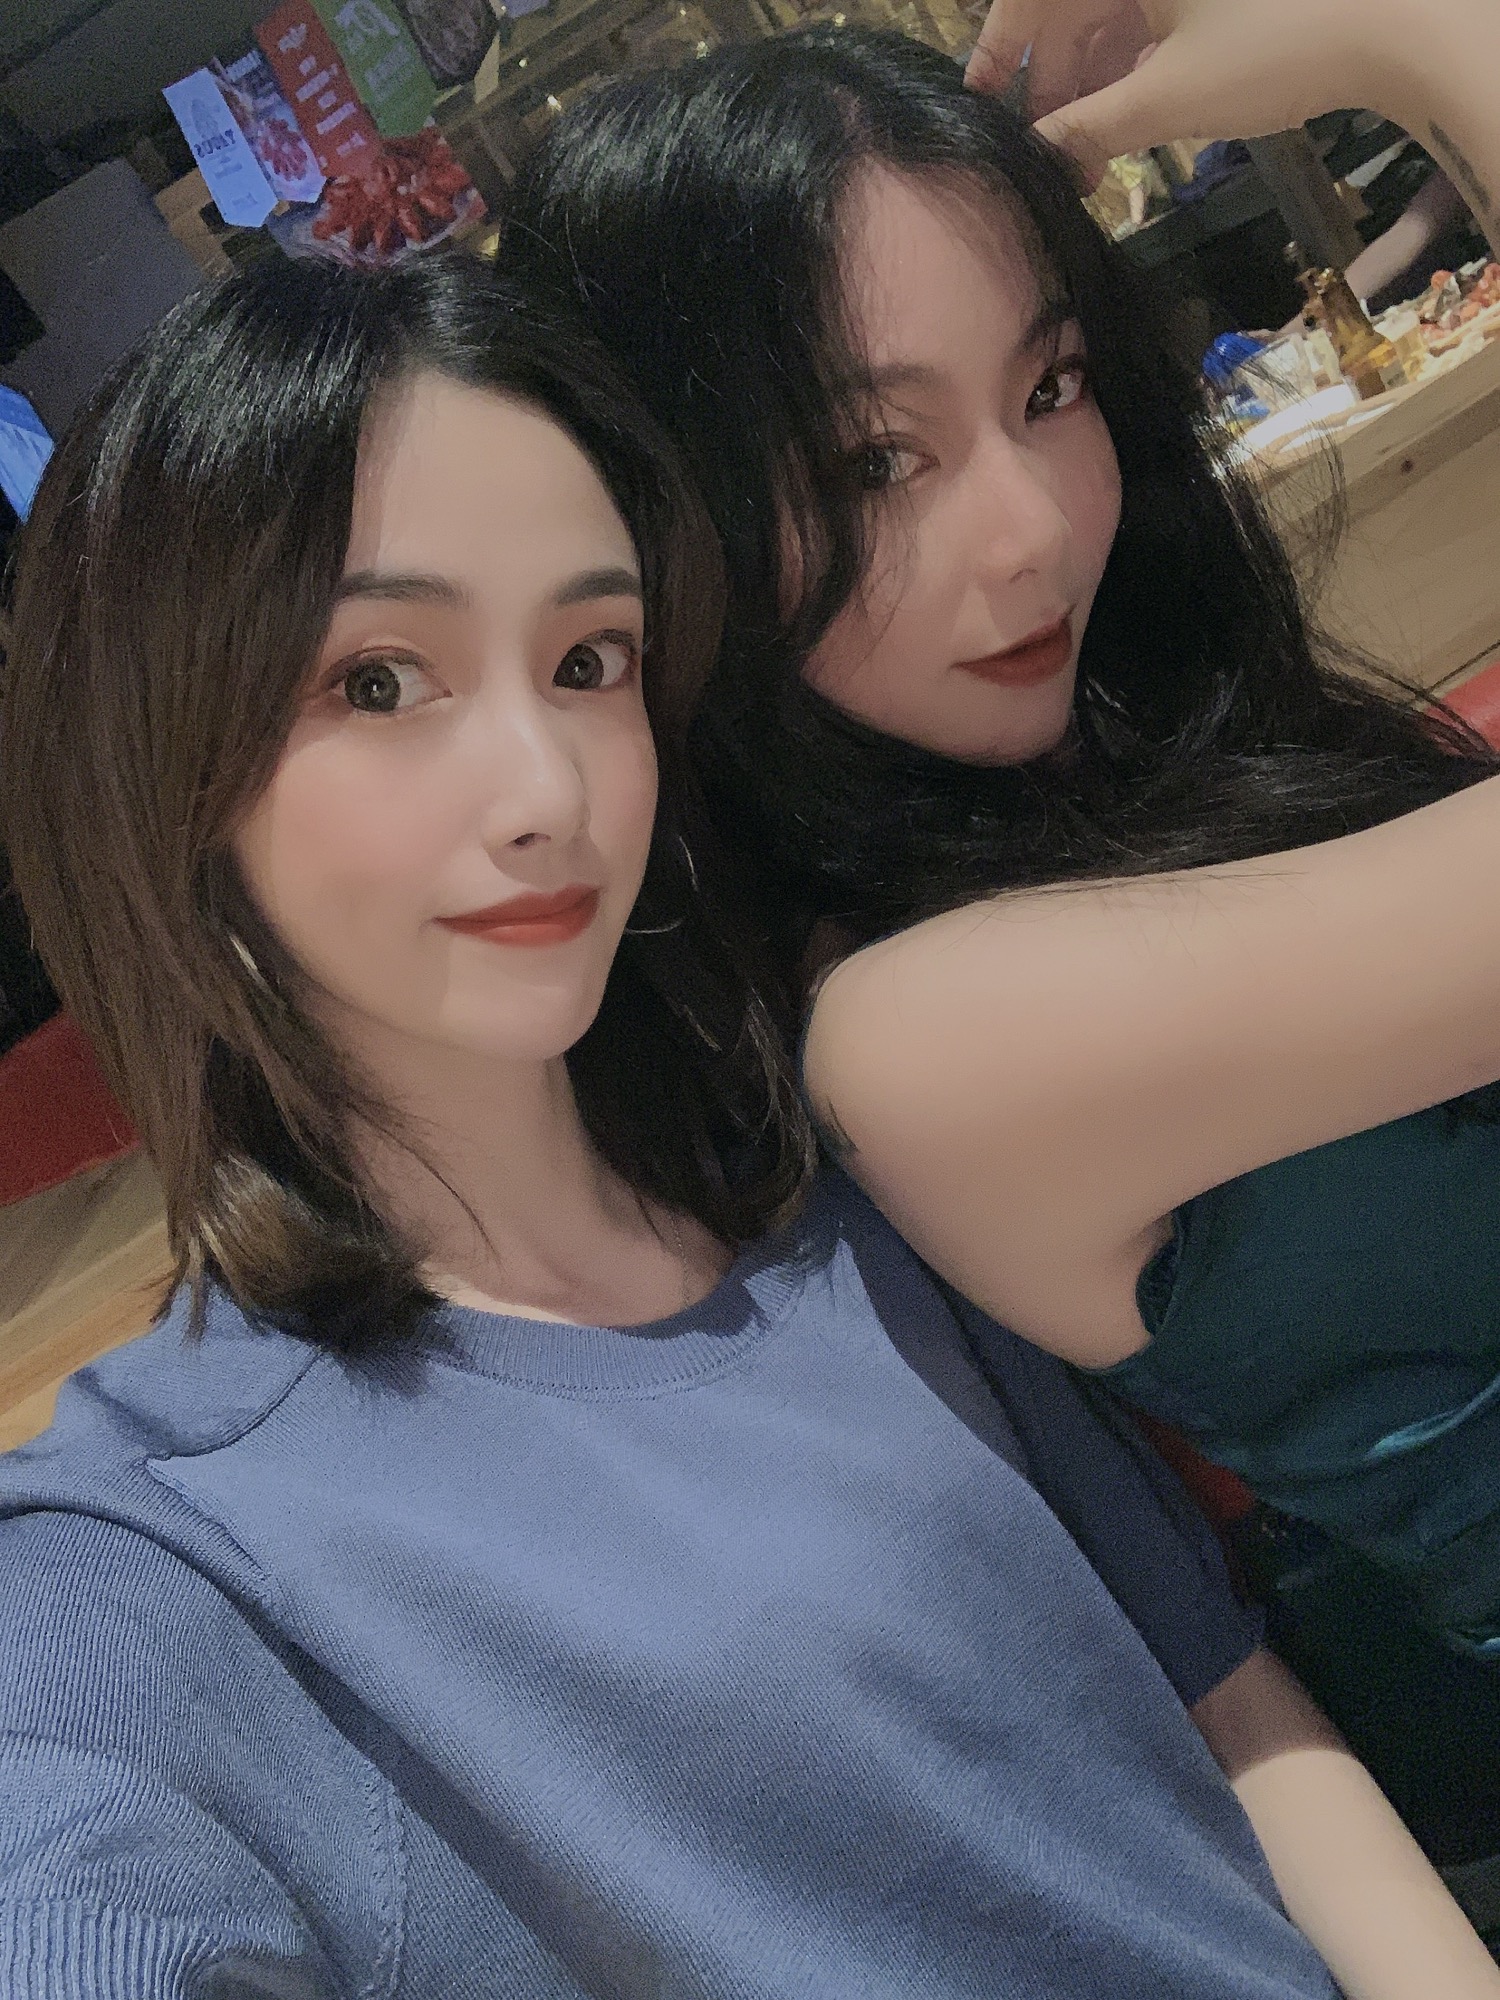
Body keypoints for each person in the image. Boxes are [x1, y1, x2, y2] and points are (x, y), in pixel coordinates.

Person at [4, 253, 1481, 1996]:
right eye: (381, 683)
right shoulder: (168, 1542)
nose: (546, 790)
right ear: (164, 760)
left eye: (588, 659)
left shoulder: (833, 1225)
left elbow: (1228, 1709)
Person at [494, 0, 1500, 1874]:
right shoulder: (923, 1034)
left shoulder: (1128, 764)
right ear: (671, 535)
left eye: (1050, 388)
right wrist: (1422, 35)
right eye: (874, 466)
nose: (1033, 527)